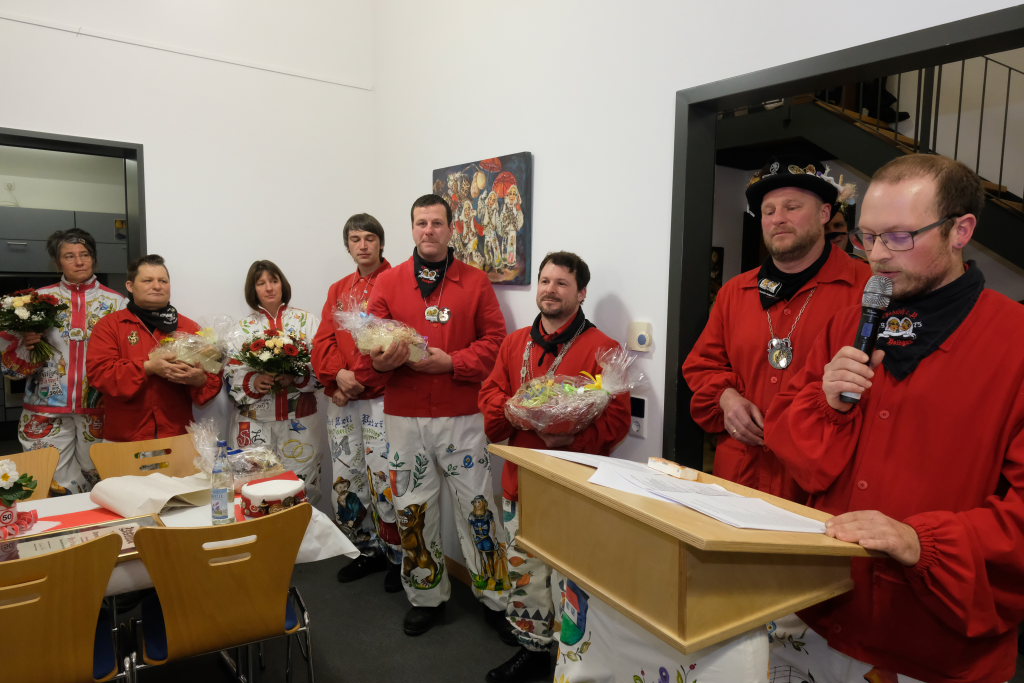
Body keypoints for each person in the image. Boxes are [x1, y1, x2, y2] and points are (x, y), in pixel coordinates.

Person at [765, 154, 1024, 683]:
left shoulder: (1013, 340)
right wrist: (828, 405)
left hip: (936, 644)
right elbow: (797, 458)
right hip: (821, 614)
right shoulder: (847, 324)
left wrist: (922, 542)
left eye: (900, 237)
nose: (878, 255)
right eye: (867, 237)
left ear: (960, 231)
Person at [353, 194, 510, 639]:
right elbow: (367, 353)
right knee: (412, 509)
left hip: (462, 415)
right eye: (421, 223)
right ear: (412, 228)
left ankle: (496, 598)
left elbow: (496, 342)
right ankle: (426, 596)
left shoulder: (475, 282)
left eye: (437, 223)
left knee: (478, 507)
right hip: (404, 418)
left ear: (450, 229)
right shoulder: (390, 282)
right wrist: (381, 361)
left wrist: (453, 362)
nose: (429, 230)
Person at [479, 251, 630, 683]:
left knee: (570, 580)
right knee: (524, 573)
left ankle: (572, 665)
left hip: (573, 486)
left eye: (562, 283)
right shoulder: (514, 343)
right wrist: (510, 409)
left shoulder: (604, 347)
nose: (550, 290)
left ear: (581, 293)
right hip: (521, 482)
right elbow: (490, 394)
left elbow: (617, 421)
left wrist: (571, 438)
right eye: (545, 281)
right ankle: (531, 649)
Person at [683, 156, 871, 501]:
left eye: (792, 207)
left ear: (824, 213)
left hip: (817, 483)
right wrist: (726, 398)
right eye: (768, 211)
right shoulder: (734, 292)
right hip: (738, 476)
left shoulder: (866, 289)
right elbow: (702, 365)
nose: (778, 218)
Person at [311, 213, 402, 591]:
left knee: (385, 478)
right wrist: (336, 377)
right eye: (355, 239)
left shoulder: (398, 282)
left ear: (381, 242)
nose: (363, 245)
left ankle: (398, 556)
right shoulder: (338, 289)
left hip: (382, 399)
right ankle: (366, 548)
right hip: (343, 400)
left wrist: (357, 381)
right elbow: (323, 340)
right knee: (347, 476)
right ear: (347, 246)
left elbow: (397, 343)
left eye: (369, 238)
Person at [0, 229, 126, 494]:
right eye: (69, 256)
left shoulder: (118, 304)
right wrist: (26, 342)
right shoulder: (34, 302)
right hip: (45, 410)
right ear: (57, 262)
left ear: (94, 258)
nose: (79, 262)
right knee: (50, 483)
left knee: (104, 483)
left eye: (85, 254)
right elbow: (8, 361)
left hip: (99, 410)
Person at [86, 254, 222, 441]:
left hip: (176, 435)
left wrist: (200, 380)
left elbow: (213, 377)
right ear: (130, 286)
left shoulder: (189, 328)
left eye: (163, 281)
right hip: (125, 437)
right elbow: (100, 374)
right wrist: (148, 367)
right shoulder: (110, 325)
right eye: (148, 280)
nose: (157, 286)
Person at [224, 260, 323, 503]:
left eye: (274, 281)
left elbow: (323, 366)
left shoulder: (307, 321)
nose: (269, 288)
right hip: (254, 423)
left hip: (300, 421)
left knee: (302, 489)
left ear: (282, 284)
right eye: (261, 283)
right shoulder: (241, 329)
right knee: (254, 490)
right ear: (253, 289)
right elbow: (228, 373)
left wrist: (296, 376)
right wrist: (253, 381)